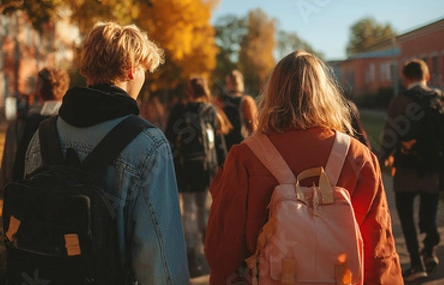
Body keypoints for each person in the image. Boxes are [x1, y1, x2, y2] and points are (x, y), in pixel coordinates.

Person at [205, 50, 403, 284]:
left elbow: (223, 250)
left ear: (272, 94)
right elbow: (379, 250)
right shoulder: (359, 157)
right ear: (325, 94)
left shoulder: (246, 157)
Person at [24, 22, 189, 284]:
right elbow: (160, 263)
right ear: (133, 70)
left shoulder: (42, 136)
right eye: (145, 69)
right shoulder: (149, 145)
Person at [378, 58, 444, 281]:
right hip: (435, 171)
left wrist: (381, 159)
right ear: (427, 77)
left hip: (406, 171)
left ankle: (416, 264)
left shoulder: (400, 100)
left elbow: (390, 134)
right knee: (429, 215)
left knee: (406, 218)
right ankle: (430, 248)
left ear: (405, 78)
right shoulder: (442, 98)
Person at [165, 76, 227, 278]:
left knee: (189, 209)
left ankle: (192, 254)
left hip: (185, 169)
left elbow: (169, 139)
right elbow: (218, 144)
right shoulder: (211, 111)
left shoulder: (180, 111)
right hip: (206, 169)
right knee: (205, 207)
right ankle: (208, 249)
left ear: (189, 91)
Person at [0, 67, 70, 196]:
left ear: (38, 87)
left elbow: (9, 165)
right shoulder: (71, 122)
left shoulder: (20, 123)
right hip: (62, 197)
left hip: (26, 196)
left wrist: (5, 191)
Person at [218, 70, 258, 150]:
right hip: (242, 146)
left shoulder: (219, 101)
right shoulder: (247, 101)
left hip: (224, 147)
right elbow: (254, 128)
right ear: (241, 83)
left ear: (227, 83)